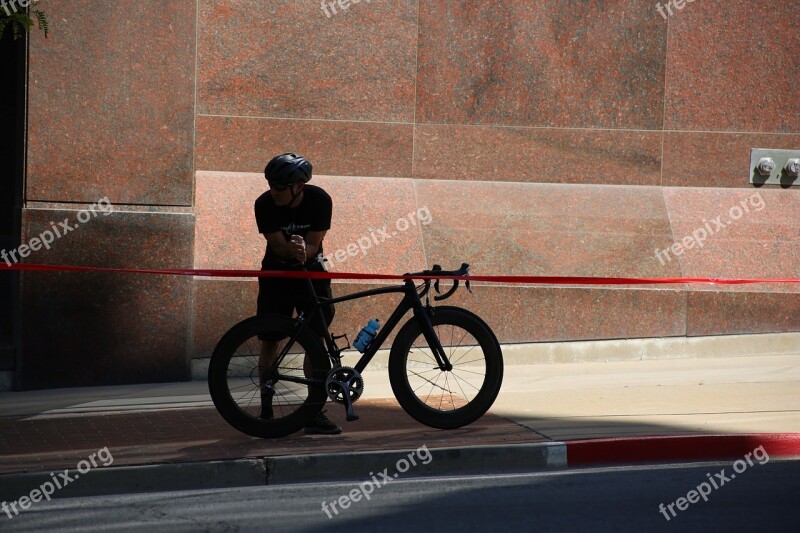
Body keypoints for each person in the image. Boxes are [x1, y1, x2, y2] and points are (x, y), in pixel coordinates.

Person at [254, 153, 341, 435]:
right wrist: (291, 250)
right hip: (276, 274)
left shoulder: (320, 200)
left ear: (298, 187)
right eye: (270, 185)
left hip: (311, 274)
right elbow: (277, 246)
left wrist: (306, 251)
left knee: (314, 341)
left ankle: (314, 411)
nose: (273, 192)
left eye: (279, 188)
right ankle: (265, 407)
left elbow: (315, 243)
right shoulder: (264, 204)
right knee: (270, 340)